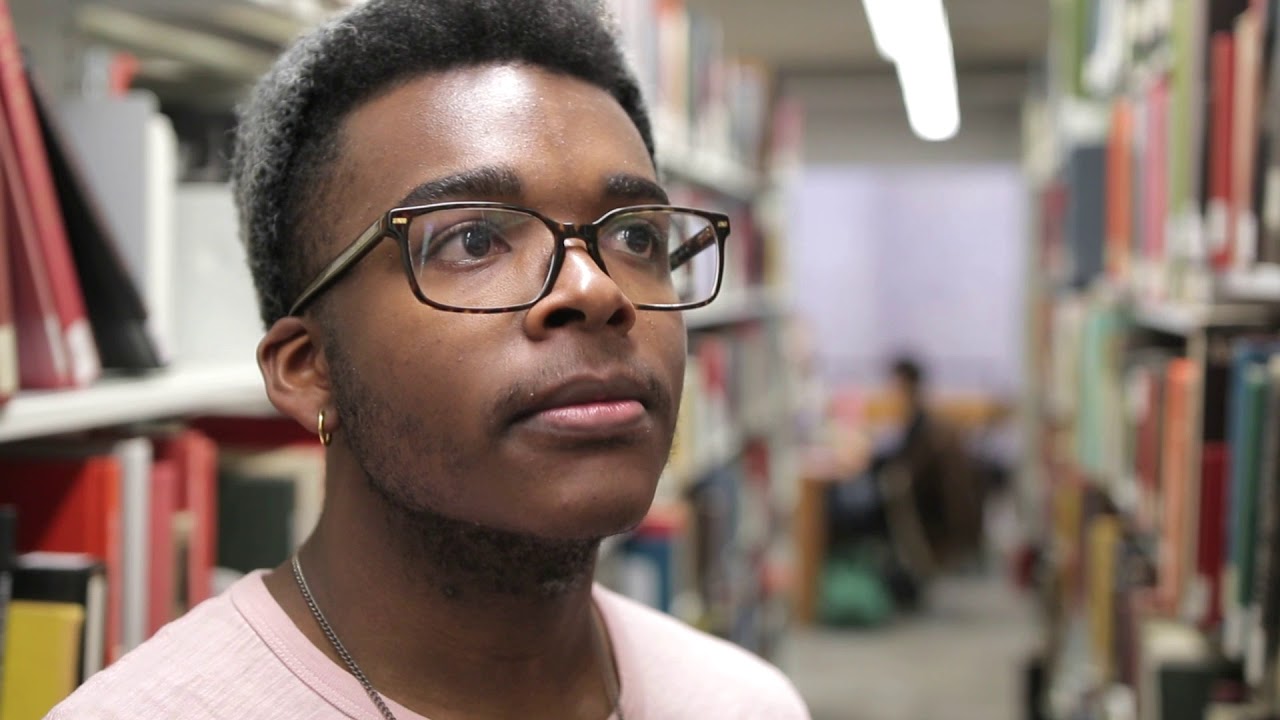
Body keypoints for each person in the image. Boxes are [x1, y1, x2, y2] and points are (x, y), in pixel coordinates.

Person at [46, 1, 809, 718]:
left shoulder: (746, 702)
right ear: (308, 368)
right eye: (473, 240)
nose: (596, 289)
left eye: (636, 237)